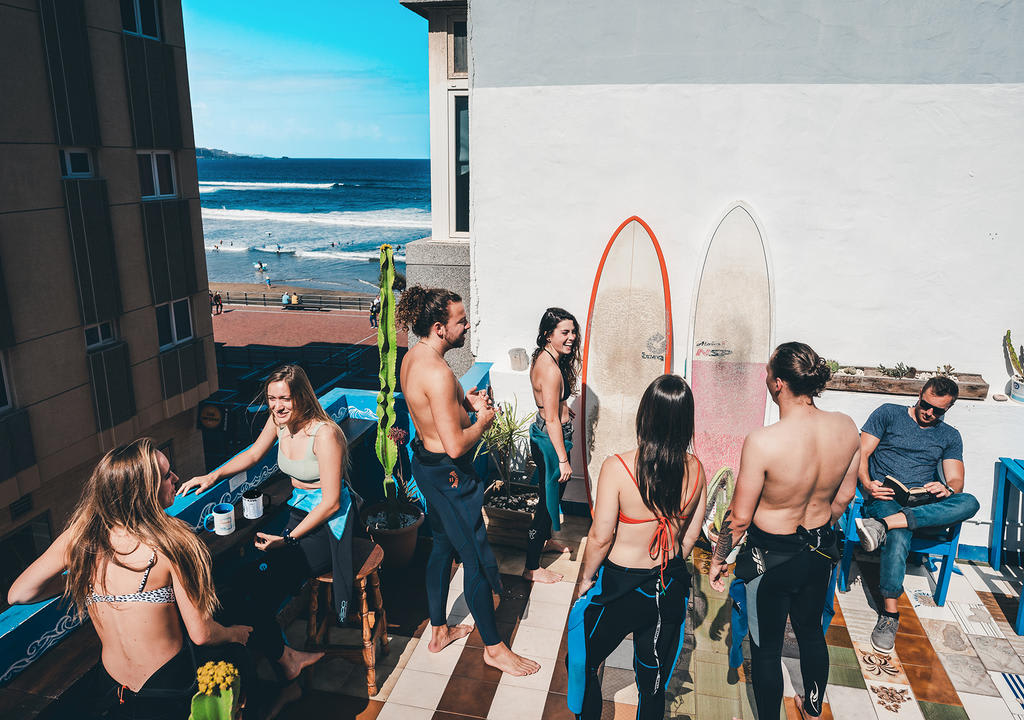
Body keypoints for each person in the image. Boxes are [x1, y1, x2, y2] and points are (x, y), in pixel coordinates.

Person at [8, 439, 254, 720]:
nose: (176, 478)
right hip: (167, 686)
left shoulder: (82, 537)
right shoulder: (173, 544)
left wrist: (86, 577)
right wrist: (236, 633)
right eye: (165, 476)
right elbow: (202, 634)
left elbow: (20, 593)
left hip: (112, 689)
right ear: (142, 491)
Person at [709, 342, 860, 720]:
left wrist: (719, 558)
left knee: (765, 647)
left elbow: (740, 518)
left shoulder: (764, 441)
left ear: (778, 383)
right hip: (821, 548)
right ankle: (811, 707)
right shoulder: (846, 427)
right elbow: (843, 498)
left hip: (771, 558)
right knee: (811, 633)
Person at [396, 285, 540, 676]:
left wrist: (468, 404)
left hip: (426, 467)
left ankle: (439, 631)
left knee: (442, 544)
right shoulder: (439, 373)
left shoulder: (413, 357)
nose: (467, 328)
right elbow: (457, 445)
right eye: (461, 322)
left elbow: (436, 413)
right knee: (475, 557)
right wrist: (482, 420)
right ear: (440, 327)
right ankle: (494, 648)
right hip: (449, 475)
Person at [178, 364, 353, 681]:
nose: (277, 406)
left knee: (254, 591)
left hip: (328, 528)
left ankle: (283, 659)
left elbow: (331, 502)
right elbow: (254, 454)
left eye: (284, 398)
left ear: (301, 396)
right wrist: (213, 475)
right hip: (298, 518)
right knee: (241, 587)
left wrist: (286, 540)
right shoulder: (280, 422)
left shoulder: (324, 434)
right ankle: (285, 657)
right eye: (272, 399)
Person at [568, 374, 707, 720]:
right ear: (685, 421)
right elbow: (689, 538)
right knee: (653, 679)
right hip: (667, 584)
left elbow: (600, 538)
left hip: (620, 586)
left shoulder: (617, 467)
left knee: (582, 656)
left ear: (645, 415)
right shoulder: (697, 470)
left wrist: (586, 578)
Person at [854, 377, 980, 653]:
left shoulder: (949, 436)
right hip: (886, 497)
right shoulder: (888, 413)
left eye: (939, 411)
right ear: (920, 394)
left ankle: (881, 526)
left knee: (969, 502)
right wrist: (866, 483)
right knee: (899, 534)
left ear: (949, 408)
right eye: (926, 405)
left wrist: (946, 488)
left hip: (922, 502)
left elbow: (956, 479)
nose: (929, 413)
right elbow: (861, 453)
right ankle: (890, 614)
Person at [524, 308, 580, 584]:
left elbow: (551, 405)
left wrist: (564, 408)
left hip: (549, 435)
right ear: (548, 335)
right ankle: (531, 566)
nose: (571, 338)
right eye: (565, 332)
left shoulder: (546, 357)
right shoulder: (549, 369)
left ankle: (544, 542)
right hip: (550, 442)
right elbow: (551, 419)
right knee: (546, 506)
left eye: (572, 332)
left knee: (552, 499)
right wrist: (563, 459)